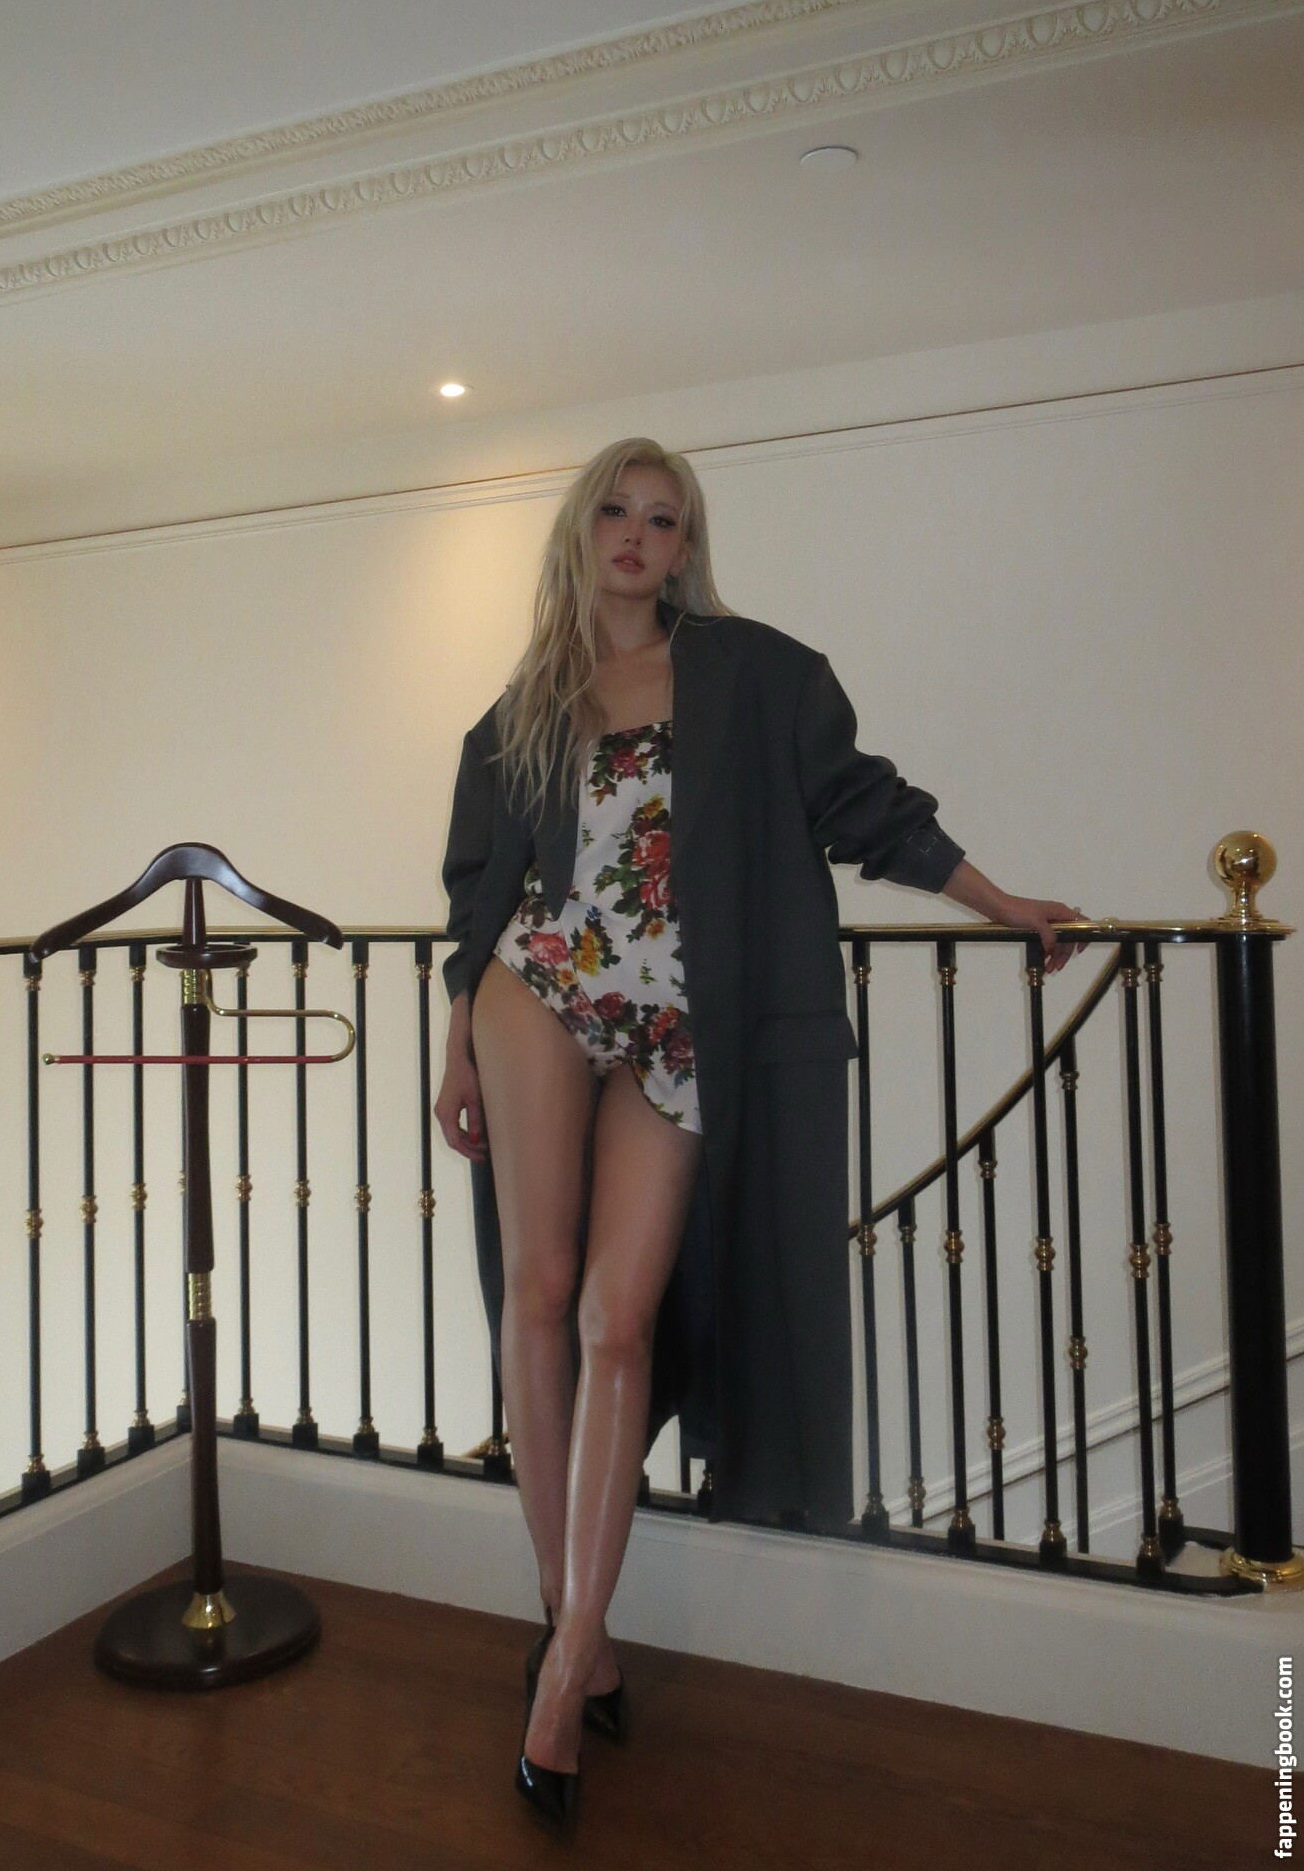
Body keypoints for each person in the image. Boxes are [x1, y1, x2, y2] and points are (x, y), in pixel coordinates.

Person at [434, 436, 1080, 1823]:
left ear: (686, 549)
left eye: (664, 520)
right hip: (538, 986)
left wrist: (1002, 901)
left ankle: (569, 1658)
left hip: (690, 1015)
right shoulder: (521, 711)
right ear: (581, 531)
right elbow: (479, 890)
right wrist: (457, 1045)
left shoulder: (756, 673)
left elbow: (864, 806)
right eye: (616, 511)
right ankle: (573, 1641)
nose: (636, 535)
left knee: (618, 1319)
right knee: (538, 1293)